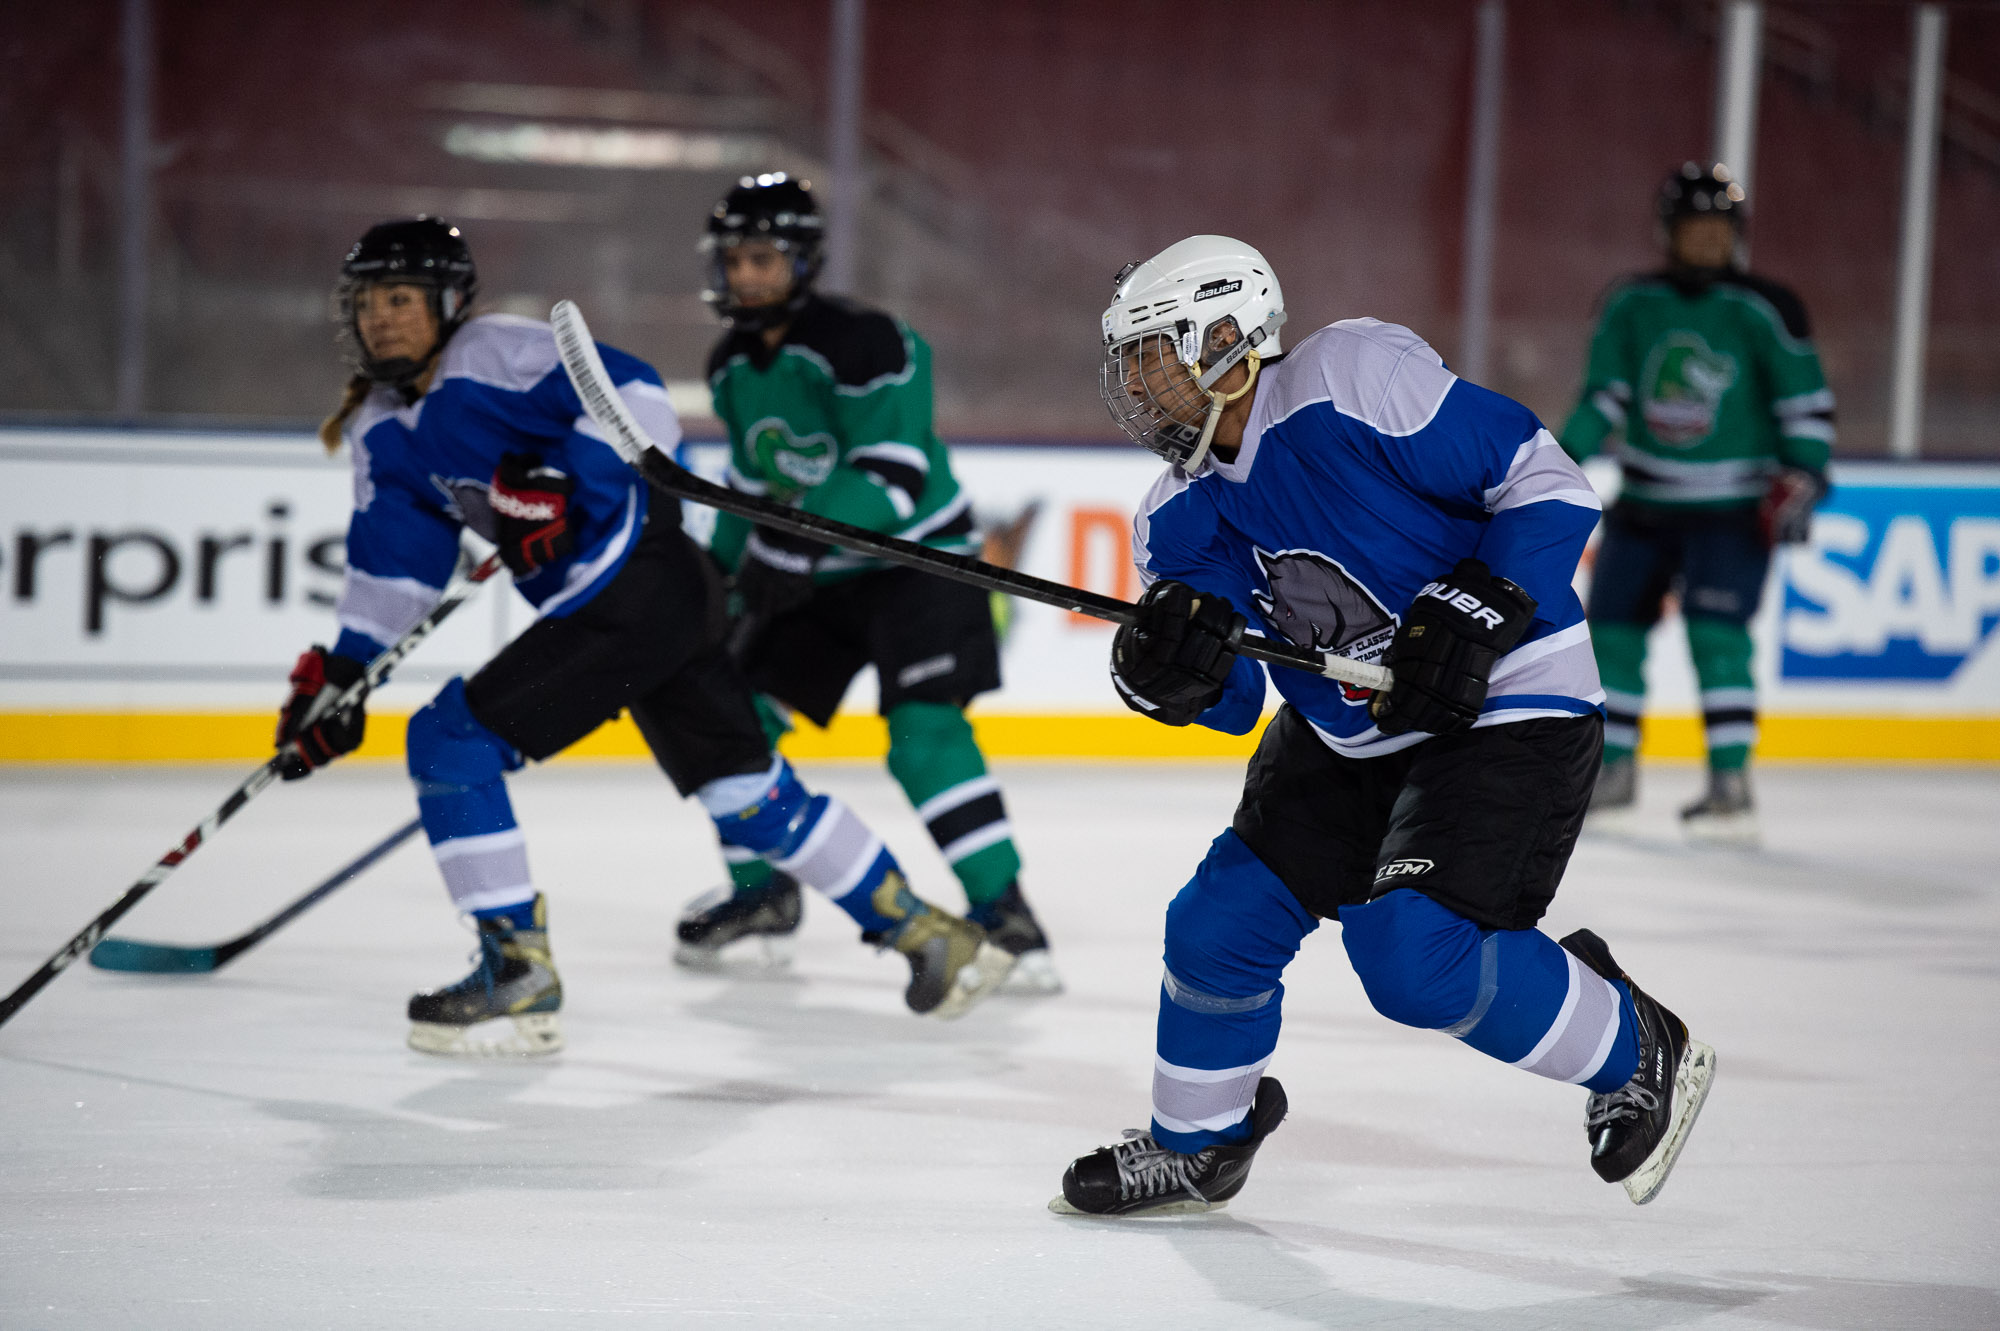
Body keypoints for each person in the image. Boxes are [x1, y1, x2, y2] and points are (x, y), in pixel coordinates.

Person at [1050, 235, 1716, 1216]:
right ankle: (1199, 1142)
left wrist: (1484, 600)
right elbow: (1236, 701)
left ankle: (1635, 1045)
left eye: (1152, 358)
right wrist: (1166, 673)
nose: (1137, 388)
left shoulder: (1346, 377)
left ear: (1226, 338)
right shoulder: (1173, 520)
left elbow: (1545, 479)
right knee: (1214, 925)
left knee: (1414, 958)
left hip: (1505, 703)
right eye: (1129, 366)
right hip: (1348, 737)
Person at [285, 216, 1011, 1057]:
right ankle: (929, 935)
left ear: (448, 303)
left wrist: (568, 484)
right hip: (657, 599)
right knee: (744, 792)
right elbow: (397, 565)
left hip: (632, 587)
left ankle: (516, 976)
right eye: (369, 302)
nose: (381, 319)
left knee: (453, 742)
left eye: (401, 299)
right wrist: (347, 670)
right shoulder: (381, 428)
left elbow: (634, 395)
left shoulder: (491, 354)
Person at [673, 173, 1059, 992]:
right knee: (726, 720)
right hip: (817, 570)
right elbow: (748, 488)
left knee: (924, 737)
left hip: (920, 561)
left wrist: (790, 543)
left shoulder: (867, 341)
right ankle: (762, 894)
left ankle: (1007, 915)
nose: (746, 275)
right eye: (735, 260)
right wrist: (713, 584)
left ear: (803, 261)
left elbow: (891, 473)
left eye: (763, 258)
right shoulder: (731, 366)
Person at [1559, 162, 1835, 844]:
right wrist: (1556, 461)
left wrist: (1805, 474)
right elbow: (1604, 397)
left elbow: (1803, 404)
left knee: (1718, 639)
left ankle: (1730, 783)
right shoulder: (1631, 303)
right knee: (1612, 634)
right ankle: (1614, 770)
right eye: (1694, 227)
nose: (1708, 240)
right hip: (1644, 506)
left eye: (1719, 228)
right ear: (1668, 232)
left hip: (1731, 511)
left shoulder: (1765, 307)